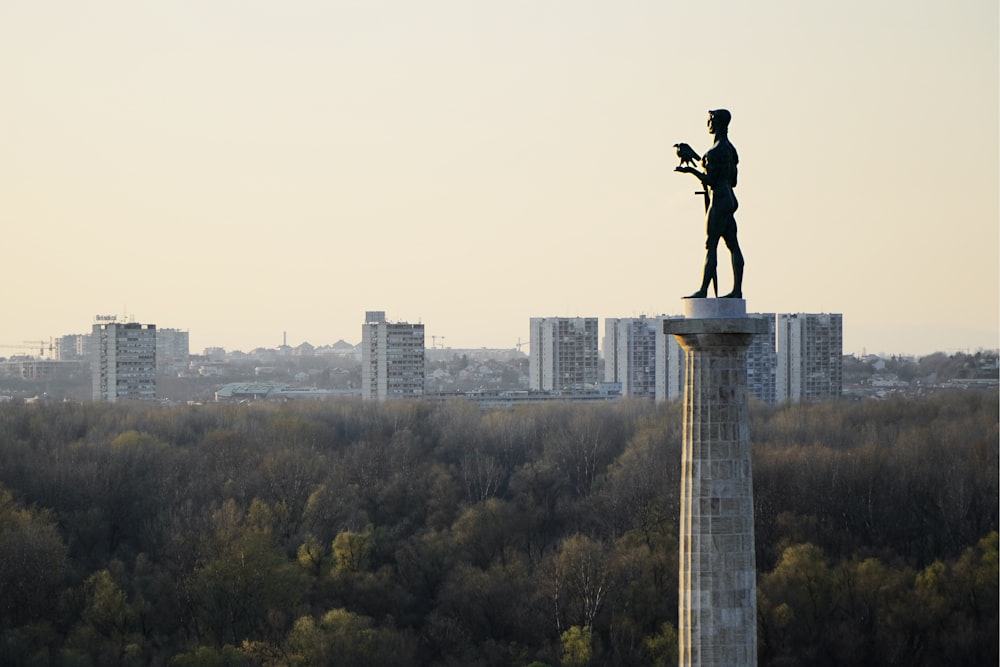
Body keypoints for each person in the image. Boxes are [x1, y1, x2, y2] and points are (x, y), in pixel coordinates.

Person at [675, 109, 744, 299]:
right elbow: (734, 181)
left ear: (718, 123)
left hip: (719, 199)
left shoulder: (715, 152)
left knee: (711, 244)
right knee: (733, 244)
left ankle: (704, 290)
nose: (708, 125)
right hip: (729, 197)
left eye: (710, 120)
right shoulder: (731, 150)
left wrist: (691, 172)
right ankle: (736, 290)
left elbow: (710, 180)